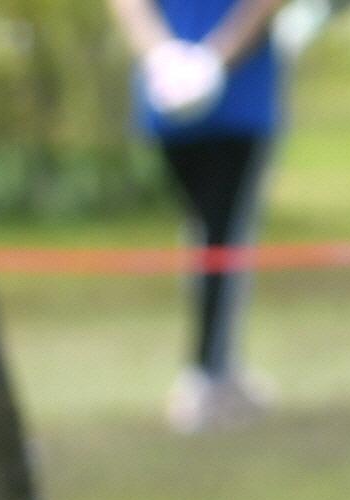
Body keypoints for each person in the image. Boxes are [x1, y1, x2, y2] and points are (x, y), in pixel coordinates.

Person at [113, 0, 295, 432]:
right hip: (172, 100)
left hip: (240, 100)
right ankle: (204, 376)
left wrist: (216, 58)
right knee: (213, 237)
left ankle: (216, 368)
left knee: (219, 236)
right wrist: (161, 56)